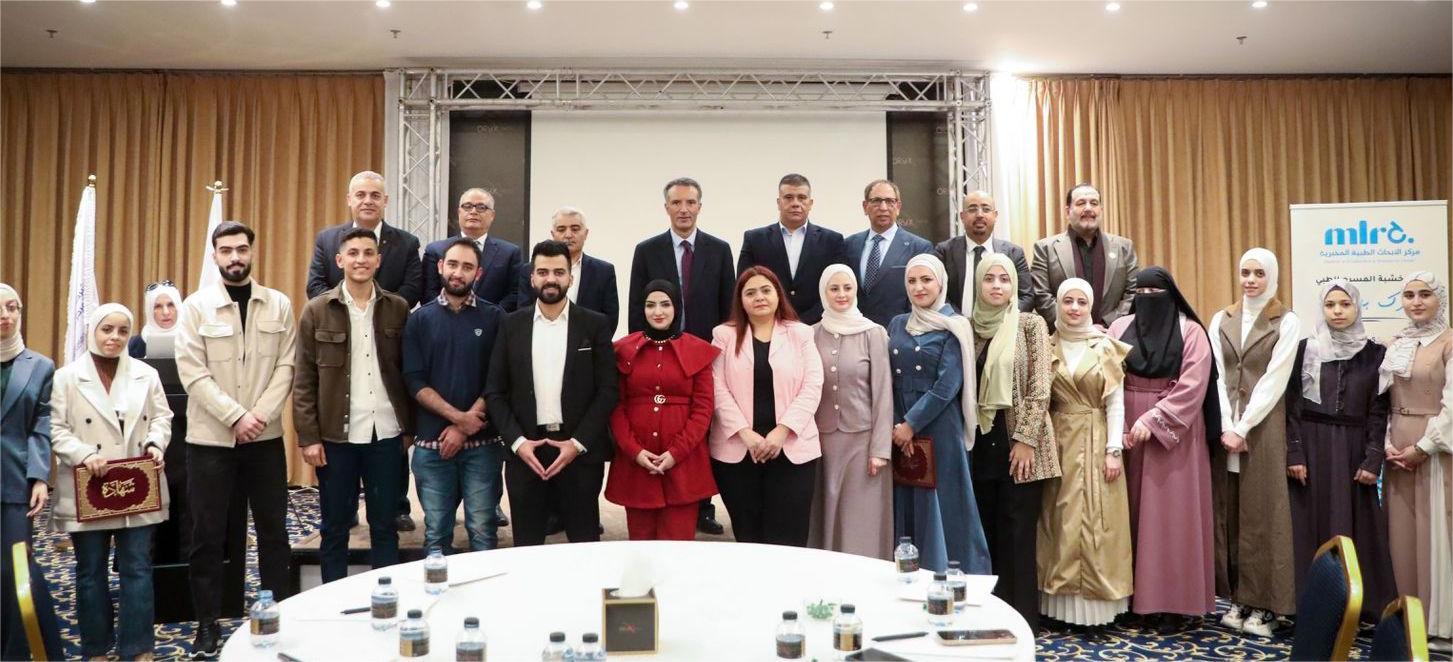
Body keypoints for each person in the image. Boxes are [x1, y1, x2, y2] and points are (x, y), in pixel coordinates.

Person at [175, 221, 297, 657]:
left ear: (252, 252)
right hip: (211, 442)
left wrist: (257, 417)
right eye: (226, 250)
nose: (235, 257)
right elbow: (192, 374)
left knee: (273, 532)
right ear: (214, 256)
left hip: (264, 438)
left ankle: (278, 614)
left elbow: (287, 366)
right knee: (207, 536)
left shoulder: (278, 304)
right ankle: (207, 623)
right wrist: (236, 417)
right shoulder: (195, 307)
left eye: (241, 249)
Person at [50, 304, 172, 661]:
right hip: (88, 485)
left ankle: (138, 647)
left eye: (122, 331)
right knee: (91, 572)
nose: (114, 337)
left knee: (137, 568)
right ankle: (96, 649)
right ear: (93, 331)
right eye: (107, 329)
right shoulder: (66, 377)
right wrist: (83, 453)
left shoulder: (147, 374)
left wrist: (156, 443)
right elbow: (55, 429)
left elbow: (162, 417)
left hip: (137, 485)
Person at [294, 227, 414, 583]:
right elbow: (304, 379)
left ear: (378, 260)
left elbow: (408, 373)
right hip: (336, 438)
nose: (361, 260)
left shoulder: (398, 308)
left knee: (385, 526)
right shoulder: (317, 310)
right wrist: (308, 437)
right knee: (334, 528)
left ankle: (386, 598)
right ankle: (333, 599)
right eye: (353, 253)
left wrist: (410, 429)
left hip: (386, 435)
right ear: (339, 260)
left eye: (368, 253)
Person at [307, 170, 424, 533]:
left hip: (388, 336)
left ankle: (397, 505)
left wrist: (379, 307)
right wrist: (343, 309)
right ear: (349, 199)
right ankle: (346, 509)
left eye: (375, 195)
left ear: (385, 201)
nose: (368, 200)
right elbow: (315, 284)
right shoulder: (328, 239)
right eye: (361, 194)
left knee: (387, 434)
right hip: (337, 336)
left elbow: (414, 286)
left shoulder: (406, 242)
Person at [485, 240, 618, 546]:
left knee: (584, 546)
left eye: (559, 272)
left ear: (571, 277)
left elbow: (608, 390)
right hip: (526, 453)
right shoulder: (510, 325)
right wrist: (517, 443)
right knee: (527, 548)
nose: (551, 279)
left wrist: (578, 443)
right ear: (532, 277)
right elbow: (495, 392)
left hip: (579, 453)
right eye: (543, 272)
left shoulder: (595, 325)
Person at [1107, 267, 1217, 633]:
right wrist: (1120, 425)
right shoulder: (1119, 328)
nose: (1148, 299)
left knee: (1172, 519)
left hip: (1175, 432)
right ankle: (1135, 602)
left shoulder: (1192, 332)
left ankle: (1175, 604)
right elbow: (1108, 377)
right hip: (1126, 427)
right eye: (1141, 293)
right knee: (1130, 516)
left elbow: (1193, 384)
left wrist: (1154, 419)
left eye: (1156, 293)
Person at [628, 177, 734, 534]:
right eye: (677, 203)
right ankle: (658, 495)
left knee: (701, 427)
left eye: (690, 203)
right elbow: (637, 307)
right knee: (662, 423)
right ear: (667, 208)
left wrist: (720, 352)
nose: (684, 209)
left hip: (702, 354)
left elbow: (728, 308)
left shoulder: (719, 250)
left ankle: (702, 504)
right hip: (659, 351)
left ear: (700, 207)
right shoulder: (647, 250)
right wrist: (639, 351)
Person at [1285, 279, 1396, 621]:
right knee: (1308, 524)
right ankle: (1308, 606)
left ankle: (1356, 606)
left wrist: (1373, 458)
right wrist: (1295, 452)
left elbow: (1379, 410)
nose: (1337, 311)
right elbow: (1291, 406)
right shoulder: (1305, 350)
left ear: (1357, 308)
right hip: (1311, 446)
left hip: (1353, 450)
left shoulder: (1375, 354)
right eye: (1330, 304)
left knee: (1354, 525)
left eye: (1345, 304)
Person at [1208, 248, 1301, 637]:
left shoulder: (1287, 321)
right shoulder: (1221, 318)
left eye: (1259, 273)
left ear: (1272, 276)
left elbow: (1275, 380)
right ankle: (1238, 598)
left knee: (1264, 514)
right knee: (1230, 513)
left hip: (1262, 430)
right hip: (1226, 429)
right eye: (1245, 272)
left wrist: (1243, 427)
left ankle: (1266, 604)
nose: (1250, 280)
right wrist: (1226, 424)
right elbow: (1215, 374)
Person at [967, 255, 1058, 629]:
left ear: (1014, 286)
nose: (996, 285)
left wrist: (1026, 439)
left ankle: (1021, 624)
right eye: (989, 279)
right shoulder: (969, 327)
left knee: (1017, 536)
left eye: (1004, 279)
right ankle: (991, 616)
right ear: (978, 284)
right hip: (980, 445)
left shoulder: (1030, 324)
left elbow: (1040, 387)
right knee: (986, 534)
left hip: (1020, 446)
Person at [1038, 278, 1133, 632]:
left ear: (1090, 306)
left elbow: (1115, 403)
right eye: (1068, 301)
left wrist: (1114, 450)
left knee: (1098, 521)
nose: (1074, 308)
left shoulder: (1105, 346)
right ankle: (1059, 606)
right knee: (1060, 520)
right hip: (1059, 442)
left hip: (1097, 439)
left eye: (1081, 302)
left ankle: (1097, 611)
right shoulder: (1046, 345)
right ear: (1058, 305)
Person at [888, 254, 990, 574]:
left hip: (939, 424)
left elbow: (948, 385)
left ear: (941, 282)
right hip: (900, 423)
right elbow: (889, 378)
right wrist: (898, 425)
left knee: (943, 498)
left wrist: (911, 424)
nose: (919, 287)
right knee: (909, 495)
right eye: (912, 281)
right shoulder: (897, 323)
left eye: (926, 280)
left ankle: (952, 573)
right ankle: (911, 572)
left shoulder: (955, 325)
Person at [403, 237, 506, 552]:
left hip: (483, 446)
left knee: (483, 532)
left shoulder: (495, 317)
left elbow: (499, 378)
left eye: (467, 266)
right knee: (436, 534)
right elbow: (414, 381)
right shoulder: (419, 319)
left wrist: (464, 427)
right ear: (440, 267)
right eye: (452, 264)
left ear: (479, 273)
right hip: (432, 447)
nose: (458, 272)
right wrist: (459, 419)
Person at [709, 267, 823, 546]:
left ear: (778, 295)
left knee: (789, 539)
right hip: (739, 452)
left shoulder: (800, 333)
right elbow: (716, 388)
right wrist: (746, 434)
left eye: (765, 290)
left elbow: (812, 385)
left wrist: (781, 431)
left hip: (792, 451)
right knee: (749, 537)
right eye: (750, 293)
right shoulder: (723, 335)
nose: (759, 297)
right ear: (740, 300)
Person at [604, 280, 720, 540]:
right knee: (641, 545)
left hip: (684, 465)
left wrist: (676, 452)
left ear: (677, 307)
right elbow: (616, 406)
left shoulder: (697, 350)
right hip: (637, 465)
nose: (658, 312)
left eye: (665, 304)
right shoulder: (623, 350)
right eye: (650, 305)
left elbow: (703, 409)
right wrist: (634, 451)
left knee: (677, 546)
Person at [1380, 272, 1452, 649]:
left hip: (1434, 450)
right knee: (1402, 534)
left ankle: (1440, 624)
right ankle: (1407, 617)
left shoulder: (1449, 342)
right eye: (1409, 295)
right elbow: (1384, 398)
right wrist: (1387, 442)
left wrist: (1424, 447)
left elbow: (1452, 404)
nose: (1416, 301)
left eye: (1425, 294)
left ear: (1440, 299)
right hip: (1397, 450)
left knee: (1435, 532)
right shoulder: (1397, 343)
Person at [808, 265, 893, 559]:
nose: (841, 294)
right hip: (821, 441)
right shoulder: (811, 334)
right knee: (825, 512)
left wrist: (880, 449)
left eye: (847, 288)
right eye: (834, 289)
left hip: (863, 441)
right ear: (824, 292)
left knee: (860, 517)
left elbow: (883, 393)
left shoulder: (874, 333)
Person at [0, 284, 62, 661]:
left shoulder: (40, 366)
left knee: (14, 570)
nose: (4, 315)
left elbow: (42, 424)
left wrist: (39, 476)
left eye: (12, 307)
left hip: (15, 480)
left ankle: (18, 653)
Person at [736, 173, 847, 325]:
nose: (795, 203)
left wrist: (803, 322)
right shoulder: (755, 239)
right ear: (778, 202)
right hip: (768, 325)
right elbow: (743, 284)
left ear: (810, 203)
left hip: (817, 326)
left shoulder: (832, 241)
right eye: (788, 197)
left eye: (802, 198)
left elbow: (836, 286)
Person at [1030, 183, 1139, 328]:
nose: (1088, 208)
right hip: (1064, 335)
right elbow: (1041, 296)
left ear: (1101, 210)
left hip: (1111, 335)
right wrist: (1077, 327)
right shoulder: (1045, 249)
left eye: (1094, 203)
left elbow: (1133, 293)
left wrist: (1108, 325)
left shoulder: (1124, 247)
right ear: (1068, 211)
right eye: (1081, 203)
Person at [845, 179, 934, 327]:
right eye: (876, 201)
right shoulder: (849, 245)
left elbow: (924, 298)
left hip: (899, 332)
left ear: (898, 207)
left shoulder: (919, 248)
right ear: (865, 207)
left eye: (889, 201)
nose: (883, 207)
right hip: (856, 332)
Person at [516, 206, 619, 330]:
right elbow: (522, 314)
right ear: (553, 234)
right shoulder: (529, 270)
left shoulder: (603, 271)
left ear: (586, 233)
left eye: (575, 229)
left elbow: (610, 319)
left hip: (587, 340)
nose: (568, 235)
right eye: (561, 229)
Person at [425, 188, 525, 311]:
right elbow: (429, 292)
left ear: (492, 215)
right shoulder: (436, 250)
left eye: (481, 207)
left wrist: (490, 316)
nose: (473, 212)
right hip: (443, 319)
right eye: (467, 206)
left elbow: (515, 294)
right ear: (459, 212)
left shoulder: (509, 253)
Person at [936, 191, 1033, 314]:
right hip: (954, 324)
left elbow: (1026, 297)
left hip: (1002, 324)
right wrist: (957, 320)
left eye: (986, 209)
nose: (979, 215)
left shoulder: (1014, 253)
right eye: (972, 209)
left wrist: (999, 318)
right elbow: (938, 294)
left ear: (995, 215)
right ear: (962, 216)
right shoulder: (944, 252)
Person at [128, 280, 183, 359]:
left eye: (170, 305)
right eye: (158, 306)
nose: (166, 312)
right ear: (149, 311)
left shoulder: (193, 341)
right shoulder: (135, 346)